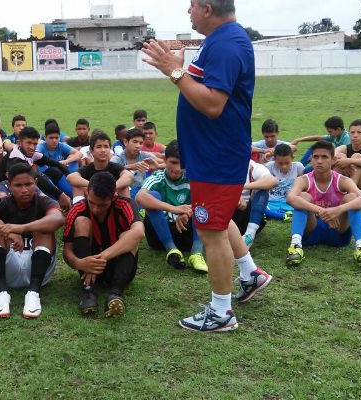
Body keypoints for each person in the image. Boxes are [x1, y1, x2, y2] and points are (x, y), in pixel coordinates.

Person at [143, 0, 273, 332]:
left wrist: (174, 71)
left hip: (217, 156)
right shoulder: (221, 40)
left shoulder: (227, 44)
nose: (188, 12)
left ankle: (221, 313)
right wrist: (181, 68)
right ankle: (250, 274)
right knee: (219, 219)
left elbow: (213, 104)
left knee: (210, 231)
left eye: (191, 7)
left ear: (207, 8)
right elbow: (203, 87)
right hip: (211, 154)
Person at [0, 163, 65, 319]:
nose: (24, 190)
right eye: (18, 185)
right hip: (11, 264)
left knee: (44, 227)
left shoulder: (45, 201)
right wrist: (6, 232)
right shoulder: (3, 202)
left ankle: (33, 293)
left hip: (39, 267)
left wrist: (19, 228)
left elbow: (58, 219)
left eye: (28, 184)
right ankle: (1, 293)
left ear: (35, 183)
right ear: (9, 186)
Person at [62, 172, 144, 318]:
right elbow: (67, 251)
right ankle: (88, 290)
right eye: (92, 202)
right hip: (88, 267)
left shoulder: (125, 204)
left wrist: (102, 257)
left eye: (102, 205)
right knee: (82, 222)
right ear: (87, 193)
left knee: (129, 235)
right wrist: (79, 263)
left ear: (113, 197)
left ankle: (115, 293)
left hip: (120, 268)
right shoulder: (77, 209)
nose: (95, 209)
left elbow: (139, 233)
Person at [285, 140, 361, 268]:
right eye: (316, 157)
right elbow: (290, 198)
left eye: (324, 157)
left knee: (352, 198)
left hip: (337, 228)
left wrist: (337, 210)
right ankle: (295, 246)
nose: (319, 161)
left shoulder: (342, 180)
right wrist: (321, 211)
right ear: (311, 159)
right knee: (303, 197)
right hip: (312, 227)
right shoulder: (303, 179)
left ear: (333, 160)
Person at [135, 141, 207, 272]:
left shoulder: (193, 176)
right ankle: (171, 250)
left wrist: (186, 212)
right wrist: (175, 209)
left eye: (182, 163)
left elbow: (207, 199)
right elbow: (140, 197)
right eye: (173, 162)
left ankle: (197, 252)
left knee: (203, 202)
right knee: (153, 195)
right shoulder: (158, 177)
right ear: (164, 160)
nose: (178, 168)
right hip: (159, 235)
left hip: (186, 230)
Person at [0, 126, 72, 209]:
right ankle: (55, 205)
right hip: (9, 189)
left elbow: (54, 163)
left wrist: (70, 175)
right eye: (29, 143)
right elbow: (35, 176)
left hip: (27, 185)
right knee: (38, 179)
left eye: (35, 144)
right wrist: (60, 195)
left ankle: (73, 197)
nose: (32, 147)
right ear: (19, 143)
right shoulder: (15, 158)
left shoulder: (31, 153)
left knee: (54, 171)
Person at [67, 131, 134, 200]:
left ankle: (126, 210)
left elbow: (129, 176)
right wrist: (95, 185)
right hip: (92, 204)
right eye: (99, 147)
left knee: (124, 187)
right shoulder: (88, 169)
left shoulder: (115, 167)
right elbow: (70, 177)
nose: (103, 150)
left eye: (106, 147)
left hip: (113, 201)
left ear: (109, 150)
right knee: (77, 186)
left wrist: (111, 188)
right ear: (91, 151)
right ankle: (78, 210)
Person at [234, 159, 278, 248]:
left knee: (262, 189)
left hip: (247, 214)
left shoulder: (252, 166)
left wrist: (241, 187)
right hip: (225, 212)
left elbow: (273, 180)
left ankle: (249, 235)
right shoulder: (219, 165)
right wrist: (234, 195)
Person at [110, 128, 163, 198]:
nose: (138, 146)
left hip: (141, 192)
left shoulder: (144, 156)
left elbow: (167, 163)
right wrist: (130, 167)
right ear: (126, 142)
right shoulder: (117, 159)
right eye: (135, 142)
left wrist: (158, 166)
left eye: (141, 143)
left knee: (156, 194)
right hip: (123, 194)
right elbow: (109, 169)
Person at [334, 119, 361, 201]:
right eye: (352, 132)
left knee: (357, 156)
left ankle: (351, 192)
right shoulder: (344, 148)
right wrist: (343, 162)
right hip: (346, 181)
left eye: (359, 132)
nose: (355, 135)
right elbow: (333, 156)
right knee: (340, 156)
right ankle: (336, 191)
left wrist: (348, 161)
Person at [264, 143, 304, 220]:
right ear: (274, 160)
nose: (284, 166)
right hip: (271, 202)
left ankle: (276, 215)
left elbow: (304, 185)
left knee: (303, 207)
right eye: (280, 163)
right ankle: (283, 216)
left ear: (292, 158)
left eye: (287, 163)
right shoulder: (269, 166)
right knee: (258, 207)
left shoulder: (298, 167)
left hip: (290, 202)